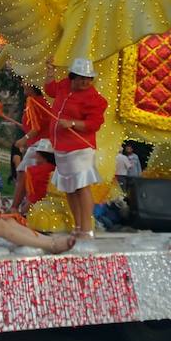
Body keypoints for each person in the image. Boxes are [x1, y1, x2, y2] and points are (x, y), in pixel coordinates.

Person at [45, 58, 108, 240]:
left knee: (81, 186)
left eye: (89, 78)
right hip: (61, 148)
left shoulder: (94, 98)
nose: (86, 82)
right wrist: (49, 71)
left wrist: (73, 123)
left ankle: (87, 228)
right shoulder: (64, 85)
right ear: (73, 77)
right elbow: (50, 90)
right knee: (70, 188)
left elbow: (94, 123)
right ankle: (78, 226)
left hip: (80, 148)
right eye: (82, 78)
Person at [12, 85, 53, 209]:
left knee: (23, 174)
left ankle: (16, 207)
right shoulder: (44, 101)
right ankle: (24, 205)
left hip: (41, 144)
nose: (23, 84)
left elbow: (36, 128)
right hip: (44, 143)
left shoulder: (34, 102)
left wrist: (24, 140)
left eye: (25, 82)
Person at [23, 139, 56, 212]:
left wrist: (22, 212)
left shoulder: (34, 171)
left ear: (41, 155)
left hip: (37, 211)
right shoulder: (57, 170)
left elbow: (34, 198)